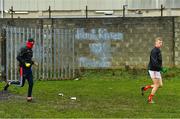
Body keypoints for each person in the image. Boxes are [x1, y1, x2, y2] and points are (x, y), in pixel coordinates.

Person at [141, 37, 164, 104]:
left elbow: (158, 61)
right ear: (155, 43)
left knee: (161, 85)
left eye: (161, 42)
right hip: (153, 70)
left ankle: (145, 88)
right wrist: (161, 68)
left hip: (157, 70)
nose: (160, 44)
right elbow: (154, 63)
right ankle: (150, 99)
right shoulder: (154, 51)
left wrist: (160, 68)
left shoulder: (158, 50)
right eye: (159, 42)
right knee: (156, 85)